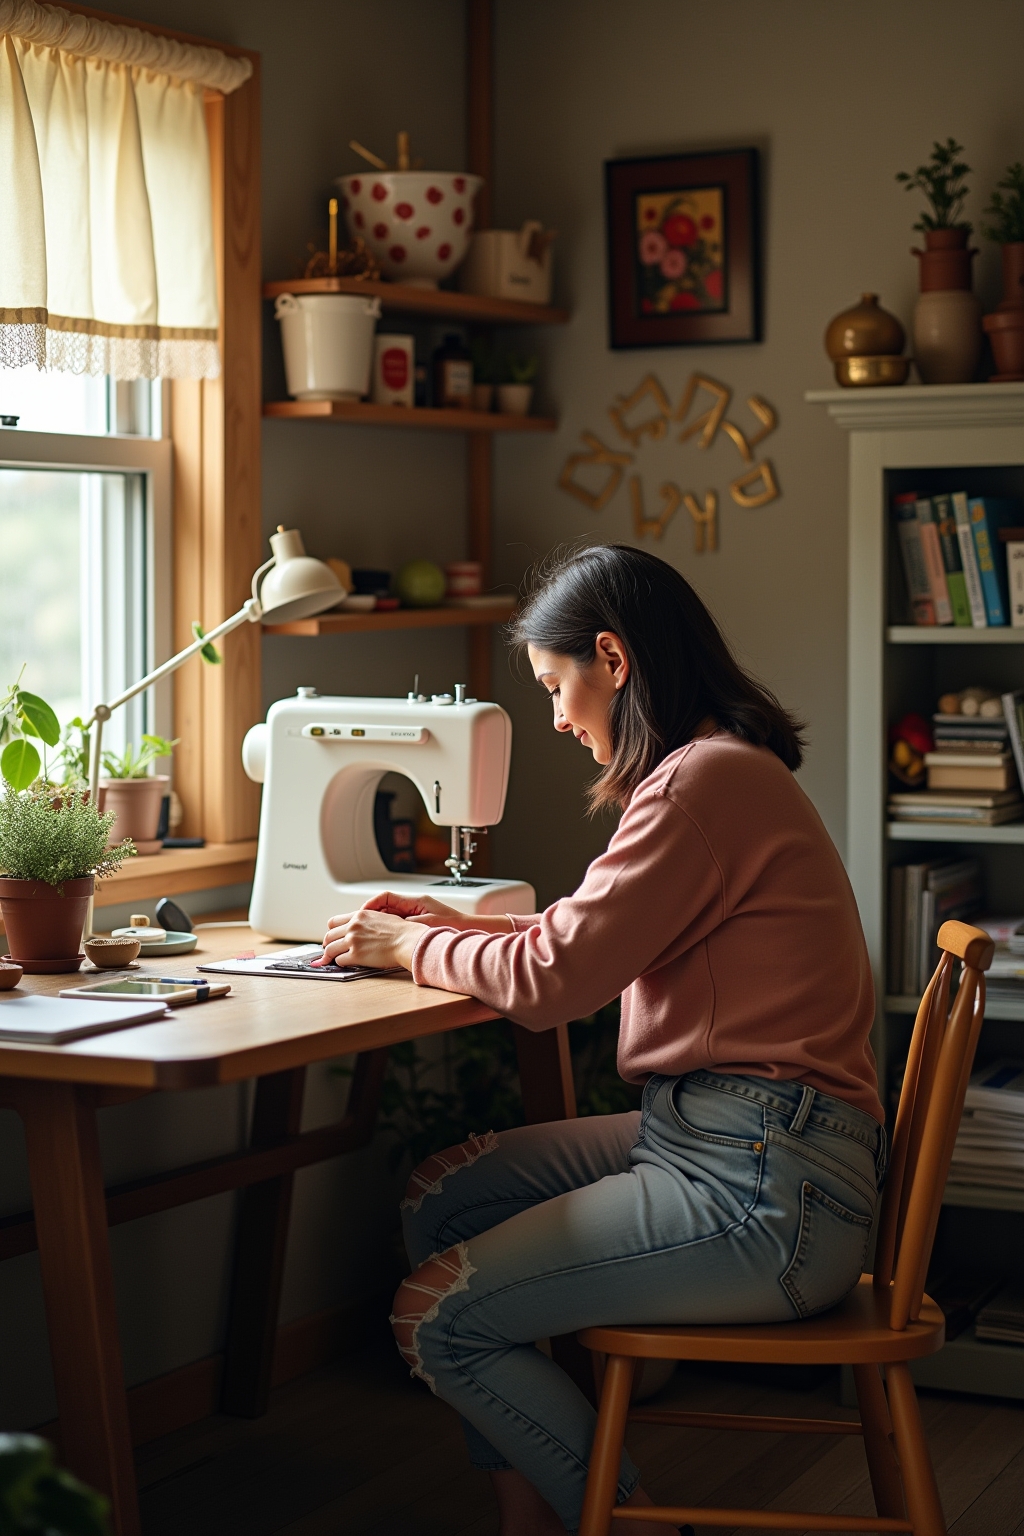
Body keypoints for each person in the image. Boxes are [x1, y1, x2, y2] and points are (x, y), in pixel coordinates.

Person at [315, 544, 885, 1536]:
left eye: (553, 686)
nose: (554, 717)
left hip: (763, 1188)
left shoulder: (694, 788)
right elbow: (576, 942)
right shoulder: (711, 774)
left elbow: (547, 985)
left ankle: (624, 1524)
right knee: (444, 1196)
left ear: (611, 662)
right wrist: (435, 932)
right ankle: (530, 1520)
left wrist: (409, 943)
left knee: (433, 1313)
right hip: (737, 1143)